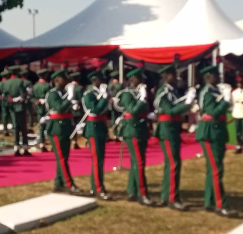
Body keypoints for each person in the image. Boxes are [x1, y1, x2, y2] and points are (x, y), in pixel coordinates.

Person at [153, 64, 196, 211]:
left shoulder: (173, 91)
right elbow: (170, 110)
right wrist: (187, 103)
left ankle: (166, 196)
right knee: (173, 163)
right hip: (167, 129)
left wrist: (187, 104)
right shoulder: (164, 92)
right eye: (172, 75)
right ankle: (172, 198)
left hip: (172, 129)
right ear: (166, 77)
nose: (175, 78)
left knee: (170, 163)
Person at [197, 65, 237, 218]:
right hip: (210, 132)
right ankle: (221, 205)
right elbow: (213, 112)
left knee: (212, 169)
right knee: (216, 170)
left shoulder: (215, 91)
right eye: (216, 75)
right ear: (208, 77)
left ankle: (209, 201)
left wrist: (227, 101)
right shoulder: (207, 92)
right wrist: (225, 100)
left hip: (217, 132)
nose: (219, 78)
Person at [117, 67, 152, 206]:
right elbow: (133, 110)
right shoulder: (127, 94)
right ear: (132, 80)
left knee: (135, 161)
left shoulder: (138, 93)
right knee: (139, 162)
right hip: (132, 130)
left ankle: (132, 191)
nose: (142, 81)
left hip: (141, 129)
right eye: (139, 78)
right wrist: (143, 99)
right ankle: (143, 194)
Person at [46, 69, 82, 194]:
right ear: (56, 80)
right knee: (62, 158)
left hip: (65, 126)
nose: (66, 81)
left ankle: (58, 183)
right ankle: (69, 183)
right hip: (57, 127)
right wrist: (70, 98)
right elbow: (60, 108)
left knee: (64, 157)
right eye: (63, 79)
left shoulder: (63, 92)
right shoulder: (53, 93)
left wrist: (73, 104)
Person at [81, 70, 112, 200]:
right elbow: (96, 110)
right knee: (97, 159)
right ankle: (99, 188)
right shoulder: (89, 94)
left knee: (100, 159)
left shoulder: (98, 93)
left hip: (100, 127)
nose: (102, 83)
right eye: (100, 80)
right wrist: (104, 98)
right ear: (95, 81)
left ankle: (96, 186)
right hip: (93, 128)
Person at [6, 65, 31, 156]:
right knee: (23, 127)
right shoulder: (21, 81)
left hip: (12, 106)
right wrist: (20, 98)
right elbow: (24, 94)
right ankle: (25, 147)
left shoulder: (7, 83)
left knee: (15, 127)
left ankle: (16, 147)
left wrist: (11, 100)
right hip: (20, 106)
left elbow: (4, 96)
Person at [32, 68, 51, 152]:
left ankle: (41, 143)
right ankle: (50, 143)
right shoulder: (47, 85)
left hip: (39, 108)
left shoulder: (35, 86)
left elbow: (32, 98)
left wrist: (37, 101)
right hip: (46, 108)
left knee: (41, 127)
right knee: (48, 126)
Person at [69, 72, 83, 149]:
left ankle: (74, 140)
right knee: (79, 124)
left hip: (70, 108)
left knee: (72, 124)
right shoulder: (79, 88)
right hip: (78, 107)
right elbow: (81, 99)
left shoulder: (67, 87)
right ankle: (76, 141)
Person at [0, 69, 11, 136]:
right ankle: (6, 129)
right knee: (8, 115)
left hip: (5, 100)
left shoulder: (0, 83)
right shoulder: (2, 83)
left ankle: (5, 129)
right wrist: (0, 96)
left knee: (5, 115)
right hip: (7, 100)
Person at [232, 75, 243, 154]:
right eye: (238, 82)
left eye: (241, 82)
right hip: (237, 113)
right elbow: (232, 102)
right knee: (238, 131)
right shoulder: (234, 92)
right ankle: (239, 146)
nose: (240, 84)